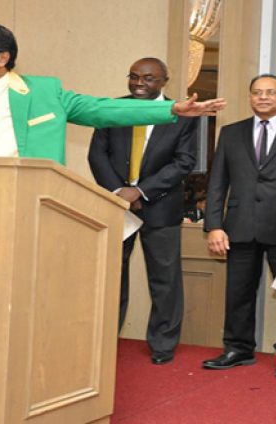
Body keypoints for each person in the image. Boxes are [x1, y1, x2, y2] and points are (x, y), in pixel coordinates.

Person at [0, 23, 224, 165]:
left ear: (3, 58)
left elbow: (103, 110)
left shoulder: (45, 91)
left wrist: (171, 110)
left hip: (25, 194)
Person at [202, 74, 276, 379]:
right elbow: (217, 183)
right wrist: (214, 226)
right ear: (250, 97)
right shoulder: (231, 133)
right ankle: (238, 348)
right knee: (238, 292)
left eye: (271, 92)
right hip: (239, 226)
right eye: (257, 92)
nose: (263, 97)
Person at [88, 58, 197, 365]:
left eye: (148, 79)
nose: (139, 83)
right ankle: (107, 340)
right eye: (134, 76)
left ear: (164, 80)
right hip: (116, 204)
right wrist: (119, 192)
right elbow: (97, 154)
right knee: (112, 277)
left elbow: (184, 162)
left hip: (160, 206)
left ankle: (163, 345)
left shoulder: (181, 114)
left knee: (164, 279)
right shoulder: (112, 108)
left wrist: (141, 190)